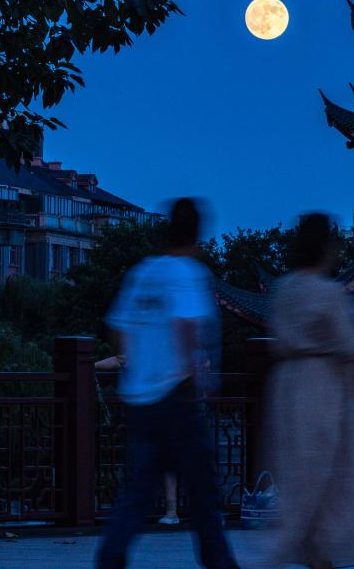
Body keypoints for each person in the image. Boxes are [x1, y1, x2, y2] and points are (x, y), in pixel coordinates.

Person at [96, 198, 239, 569]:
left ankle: (111, 555)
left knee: (140, 489)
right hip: (177, 395)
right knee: (203, 488)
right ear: (198, 235)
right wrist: (198, 373)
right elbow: (186, 323)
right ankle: (219, 560)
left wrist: (139, 364)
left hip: (140, 397)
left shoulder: (143, 272)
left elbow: (117, 325)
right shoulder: (188, 273)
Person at [265, 213, 354, 569]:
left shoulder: (285, 289)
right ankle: (321, 551)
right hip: (323, 386)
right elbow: (353, 346)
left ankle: (308, 549)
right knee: (332, 476)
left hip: (287, 384)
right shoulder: (329, 293)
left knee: (300, 475)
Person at [94, 355, 181, 525]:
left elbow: (120, 360)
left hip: (163, 412)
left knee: (164, 463)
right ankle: (170, 511)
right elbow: (120, 360)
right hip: (160, 412)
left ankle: (170, 511)